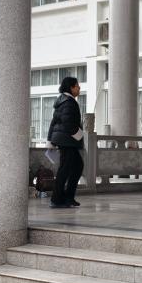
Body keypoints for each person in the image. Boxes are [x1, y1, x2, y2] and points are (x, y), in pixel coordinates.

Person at [47, 76, 85, 209]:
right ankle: (58, 199)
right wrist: (80, 135)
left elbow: (53, 122)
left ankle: (67, 198)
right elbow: (68, 123)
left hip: (64, 140)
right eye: (77, 86)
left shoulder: (62, 101)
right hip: (67, 141)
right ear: (71, 87)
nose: (79, 88)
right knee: (67, 169)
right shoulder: (68, 102)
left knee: (74, 167)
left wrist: (50, 139)